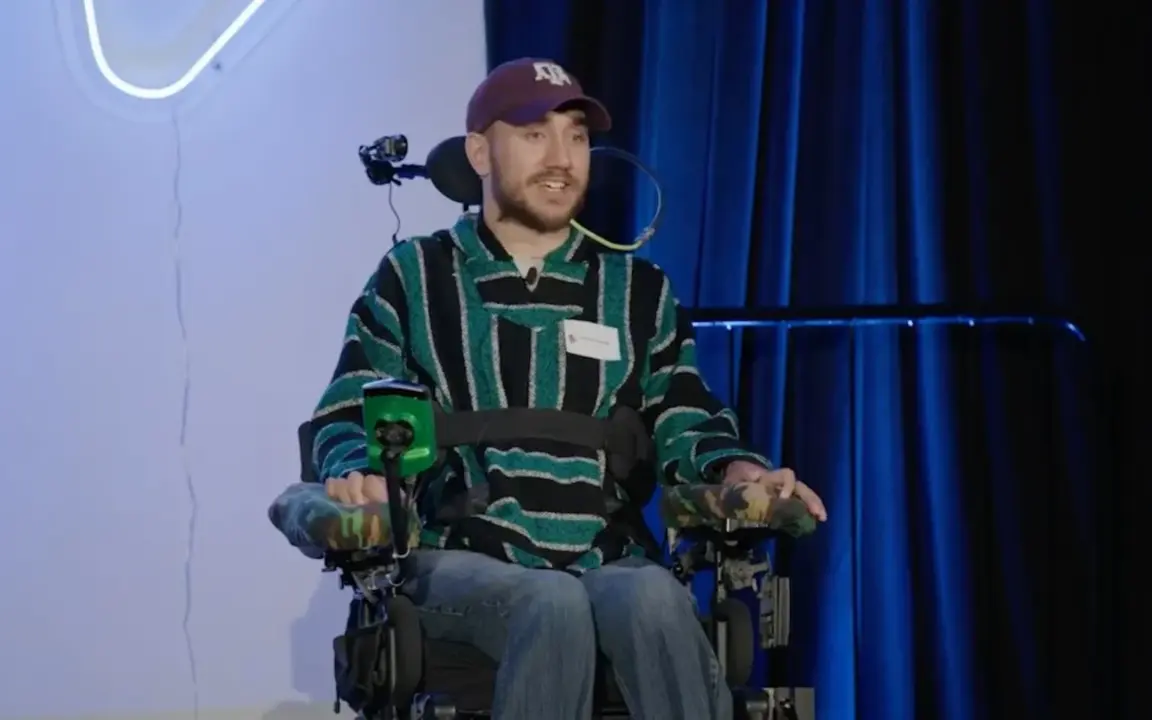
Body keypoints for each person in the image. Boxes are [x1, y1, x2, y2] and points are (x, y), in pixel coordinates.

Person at [309, 58, 828, 720]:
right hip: (459, 554)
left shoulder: (637, 291)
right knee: (551, 603)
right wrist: (358, 472)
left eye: (576, 136)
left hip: (608, 553)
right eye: (534, 134)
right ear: (479, 152)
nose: (561, 158)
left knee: (654, 598)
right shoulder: (415, 275)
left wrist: (736, 469)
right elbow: (350, 405)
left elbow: (685, 410)